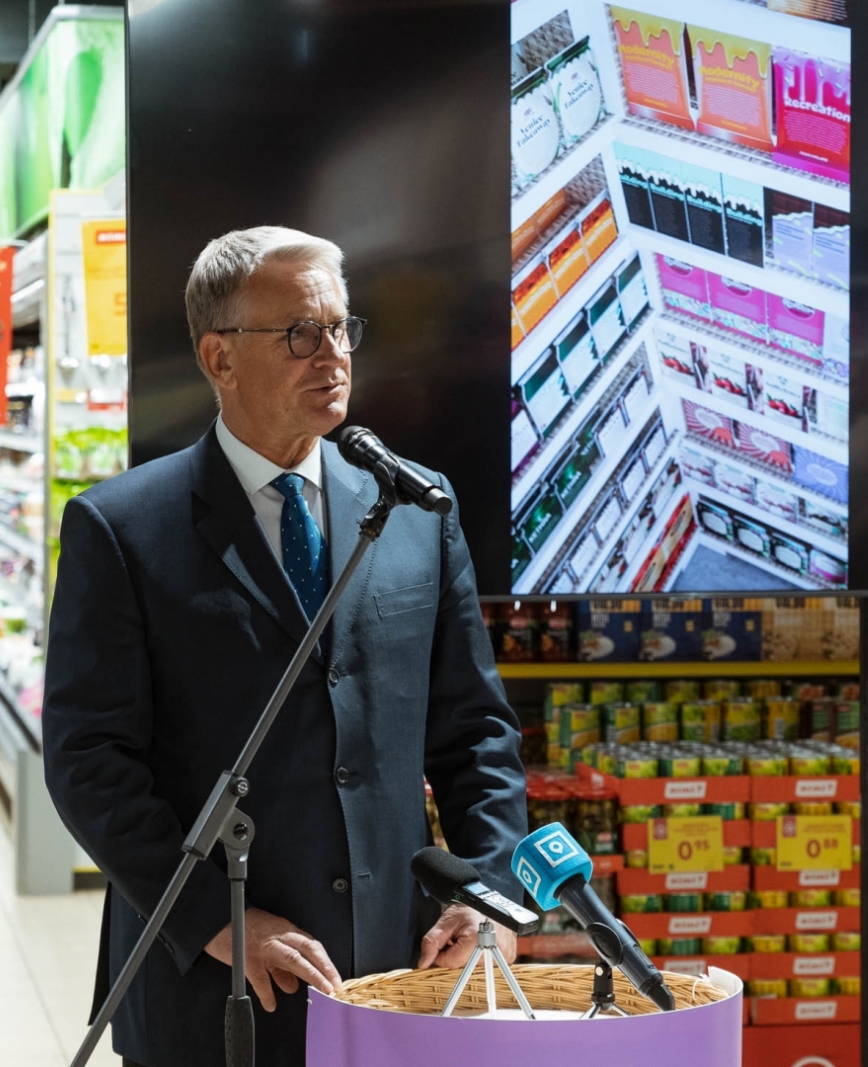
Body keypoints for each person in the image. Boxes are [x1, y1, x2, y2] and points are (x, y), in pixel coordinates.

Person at [43, 227, 527, 1067]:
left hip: (394, 976)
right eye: (301, 333)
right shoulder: (122, 528)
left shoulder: (414, 505)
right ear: (218, 357)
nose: (332, 354)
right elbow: (89, 760)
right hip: (212, 983)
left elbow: (476, 732)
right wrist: (216, 921)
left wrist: (489, 895)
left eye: (341, 329)